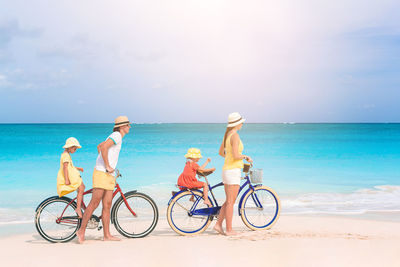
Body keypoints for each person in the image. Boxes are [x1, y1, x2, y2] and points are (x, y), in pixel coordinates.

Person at [76, 116, 131, 243]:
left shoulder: (117, 136)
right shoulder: (117, 135)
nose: (129, 127)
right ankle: (81, 230)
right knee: (94, 203)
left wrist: (104, 162)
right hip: (102, 173)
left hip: (108, 175)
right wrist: (106, 165)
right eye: (128, 125)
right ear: (122, 126)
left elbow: (100, 146)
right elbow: (104, 147)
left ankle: (107, 235)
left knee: (107, 205)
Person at [214, 112, 252, 236]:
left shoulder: (227, 135)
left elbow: (221, 153)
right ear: (237, 123)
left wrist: (229, 157)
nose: (242, 124)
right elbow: (236, 155)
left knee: (228, 201)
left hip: (226, 170)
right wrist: (245, 156)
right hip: (233, 171)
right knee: (231, 202)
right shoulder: (235, 136)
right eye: (242, 122)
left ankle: (218, 225)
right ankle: (229, 229)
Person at [57, 137, 85, 218]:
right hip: (71, 177)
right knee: (81, 189)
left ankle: (80, 204)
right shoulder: (65, 156)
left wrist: (78, 168)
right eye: (75, 149)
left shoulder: (66, 155)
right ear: (70, 147)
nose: (75, 151)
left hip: (73, 174)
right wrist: (66, 179)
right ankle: (78, 208)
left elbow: (69, 166)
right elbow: (65, 168)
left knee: (82, 188)